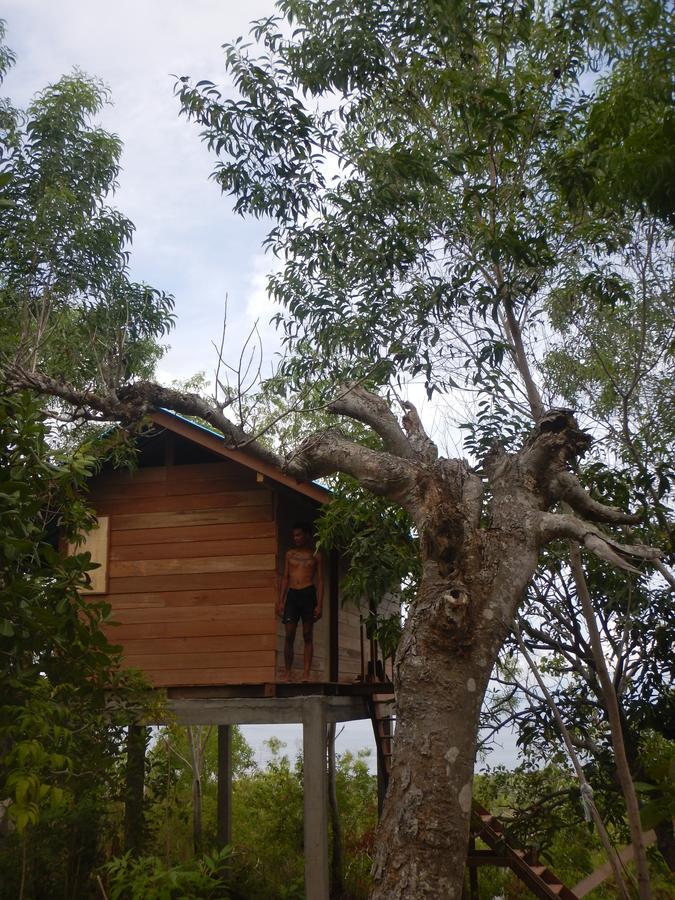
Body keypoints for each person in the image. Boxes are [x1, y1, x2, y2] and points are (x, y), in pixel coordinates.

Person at [276, 522, 323, 682]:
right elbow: (285, 577)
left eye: (299, 535)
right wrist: (280, 600)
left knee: (307, 634)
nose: (296, 538)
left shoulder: (315, 555)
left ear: (307, 536)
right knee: (289, 634)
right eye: (294, 535)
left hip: (308, 593)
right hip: (293, 595)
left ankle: (306, 673)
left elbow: (321, 580)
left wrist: (320, 604)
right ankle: (288, 672)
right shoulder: (290, 554)